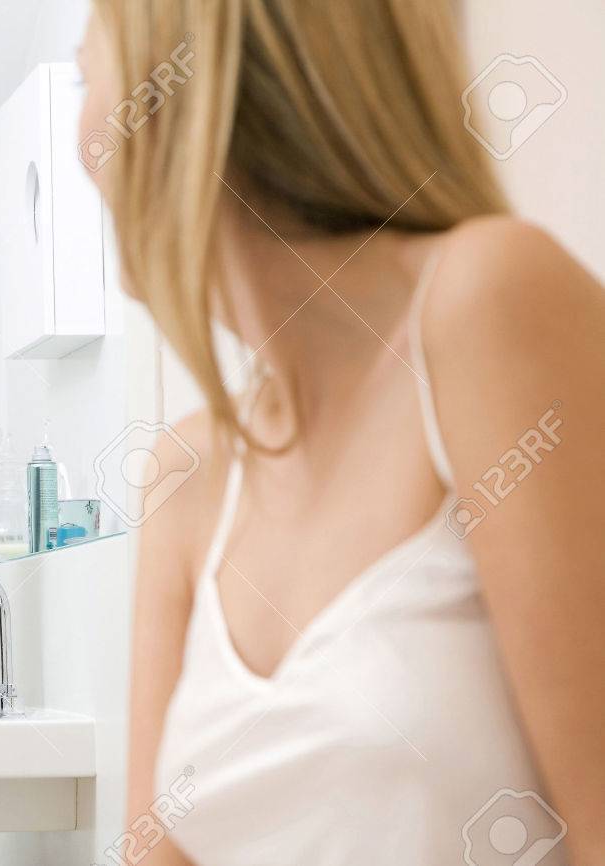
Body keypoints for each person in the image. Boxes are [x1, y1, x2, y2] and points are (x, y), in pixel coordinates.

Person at [78, 2, 605, 863]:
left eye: (82, 63)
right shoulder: (186, 467)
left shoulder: (490, 298)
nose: (80, 134)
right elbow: (155, 849)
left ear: (179, 77)